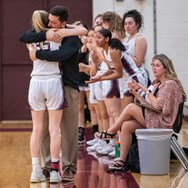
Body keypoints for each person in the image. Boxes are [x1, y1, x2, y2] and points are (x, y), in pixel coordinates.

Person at [19, 5, 87, 181]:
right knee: (49, 130)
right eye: (48, 21)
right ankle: (49, 168)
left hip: (65, 84)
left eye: (54, 22)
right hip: (53, 82)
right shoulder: (50, 34)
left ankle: (67, 169)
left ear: (63, 23)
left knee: (64, 129)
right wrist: (46, 35)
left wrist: (37, 53)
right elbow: (25, 35)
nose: (50, 23)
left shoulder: (70, 38)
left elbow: (61, 55)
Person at [95, 54, 187, 172]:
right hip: (156, 119)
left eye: (157, 65)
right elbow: (150, 105)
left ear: (165, 68)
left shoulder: (170, 84)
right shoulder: (157, 83)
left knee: (131, 107)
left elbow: (161, 107)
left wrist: (144, 89)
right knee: (126, 125)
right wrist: (136, 93)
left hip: (165, 123)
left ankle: (111, 131)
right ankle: (121, 161)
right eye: (152, 65)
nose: (154, 68)